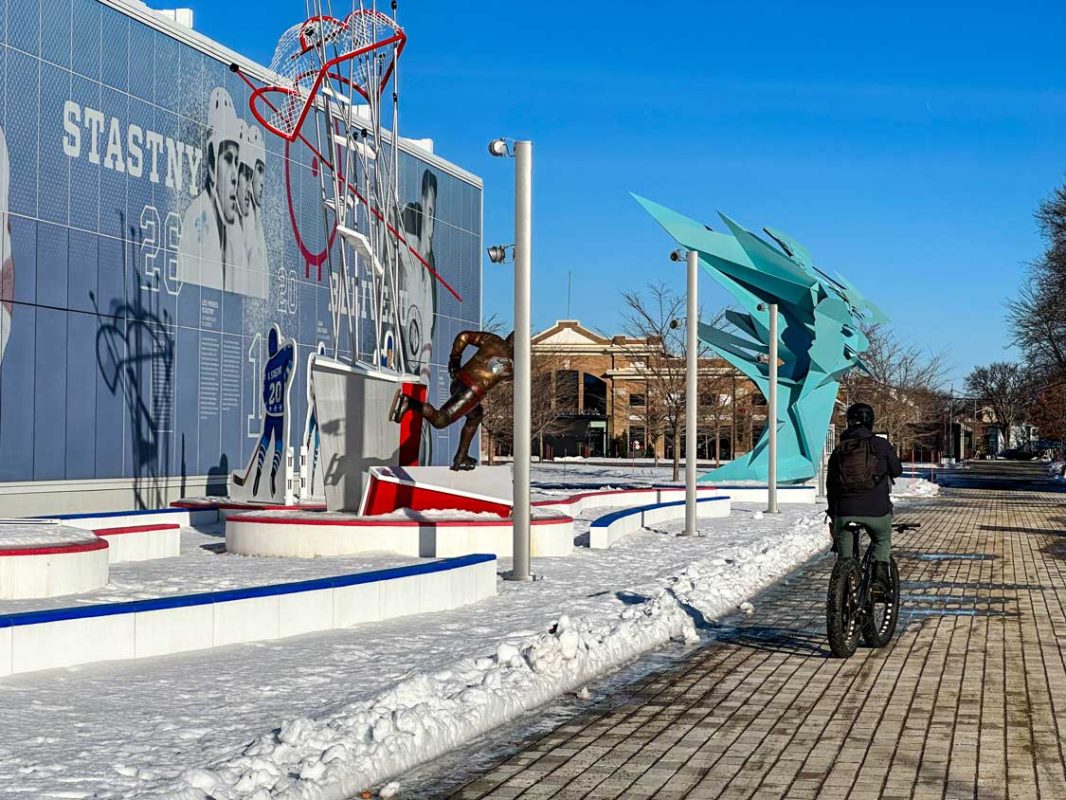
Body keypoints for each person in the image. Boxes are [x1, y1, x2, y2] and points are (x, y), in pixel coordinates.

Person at [389, 329, 513, 471]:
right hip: (471, 392)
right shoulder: (513, 363)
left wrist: (454, 362)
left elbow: (463, 336)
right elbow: (507, 377)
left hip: (459, 381)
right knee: (441, 420)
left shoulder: (494, 340)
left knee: (476, 415)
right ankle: (409, 402)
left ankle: (461, 456)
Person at [827, 402, 903, 595]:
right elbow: (897, 470)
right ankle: (879, 582)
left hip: (844, 510)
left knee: (844, 556)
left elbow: (831, 486)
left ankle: (844, 588)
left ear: (849, 422)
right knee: (882, 539)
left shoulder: (839, 450)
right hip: (876, 509)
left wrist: (833, 513)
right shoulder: (881, 445)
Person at [177, 87, 242, 293]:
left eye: (237, 162)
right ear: (213, 165)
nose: (235, 176)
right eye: (228, 159)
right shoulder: (196, 217)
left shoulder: (235, 235)